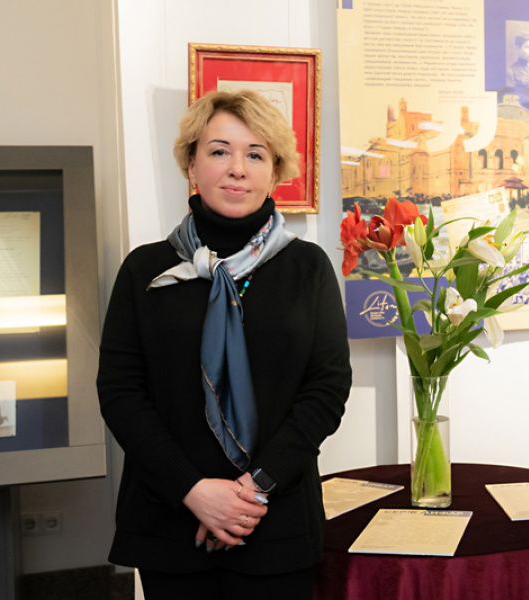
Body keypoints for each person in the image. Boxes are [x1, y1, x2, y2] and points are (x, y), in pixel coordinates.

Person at [97, 89, 351, 599]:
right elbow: (121, 393)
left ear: (275, 172)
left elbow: (326, 389)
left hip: (275, 520)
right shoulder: (145, 270)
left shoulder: (308, 268)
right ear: (191, 165)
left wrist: (253, 489)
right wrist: (193, 490)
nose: (237, 168)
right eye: (219, 151)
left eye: (255, 154)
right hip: (170, 519)